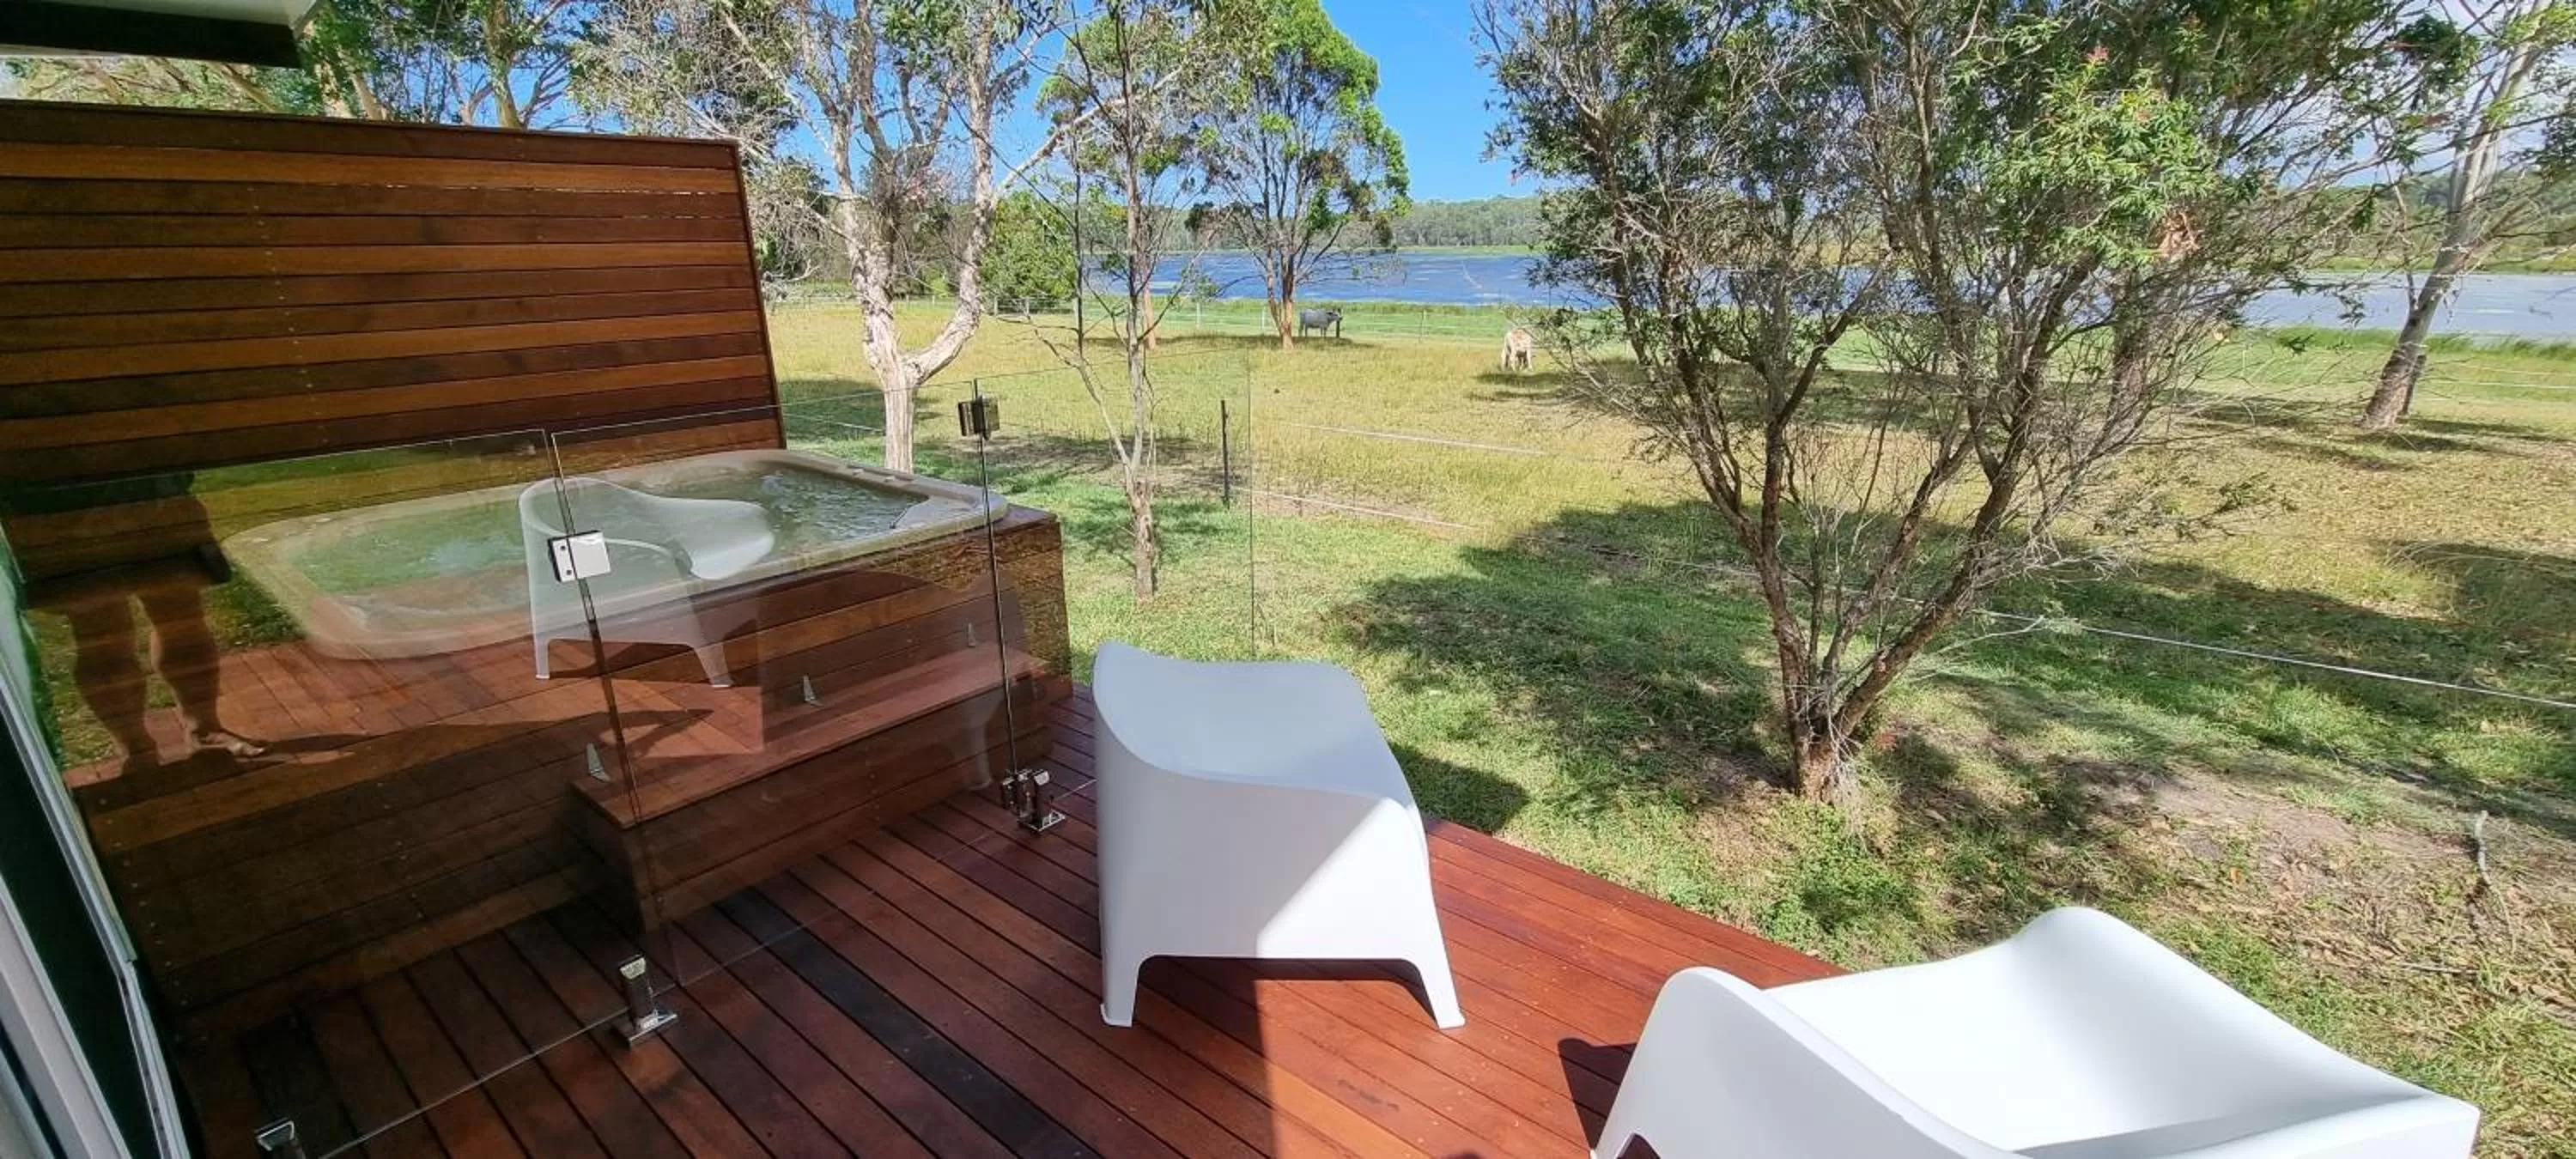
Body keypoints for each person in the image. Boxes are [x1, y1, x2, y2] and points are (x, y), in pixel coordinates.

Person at [3, 473, 263, 774]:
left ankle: (204, 731)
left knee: (183, 621)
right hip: (59, 507)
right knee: (101, 634)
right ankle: (136, 750)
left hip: (156, 495)